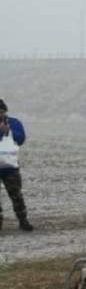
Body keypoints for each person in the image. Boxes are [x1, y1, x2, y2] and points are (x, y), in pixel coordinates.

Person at [0, 99, 33, 232]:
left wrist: (8, 132)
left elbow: (20, 139)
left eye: (1, 111)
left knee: (16, 195)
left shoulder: (14, 123)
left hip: (10, 167)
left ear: (5, 111)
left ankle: (23, 220)